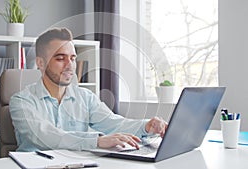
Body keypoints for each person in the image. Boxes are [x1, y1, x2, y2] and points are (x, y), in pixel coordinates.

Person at [9, 27, 167, 152]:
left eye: (72, 58)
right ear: (41, 63)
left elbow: (114, 123)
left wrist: (147, 126)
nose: (69, 64)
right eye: (60, 58)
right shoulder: (21, 101)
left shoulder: (85, 97)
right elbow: (44, 136)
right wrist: (96, 141)